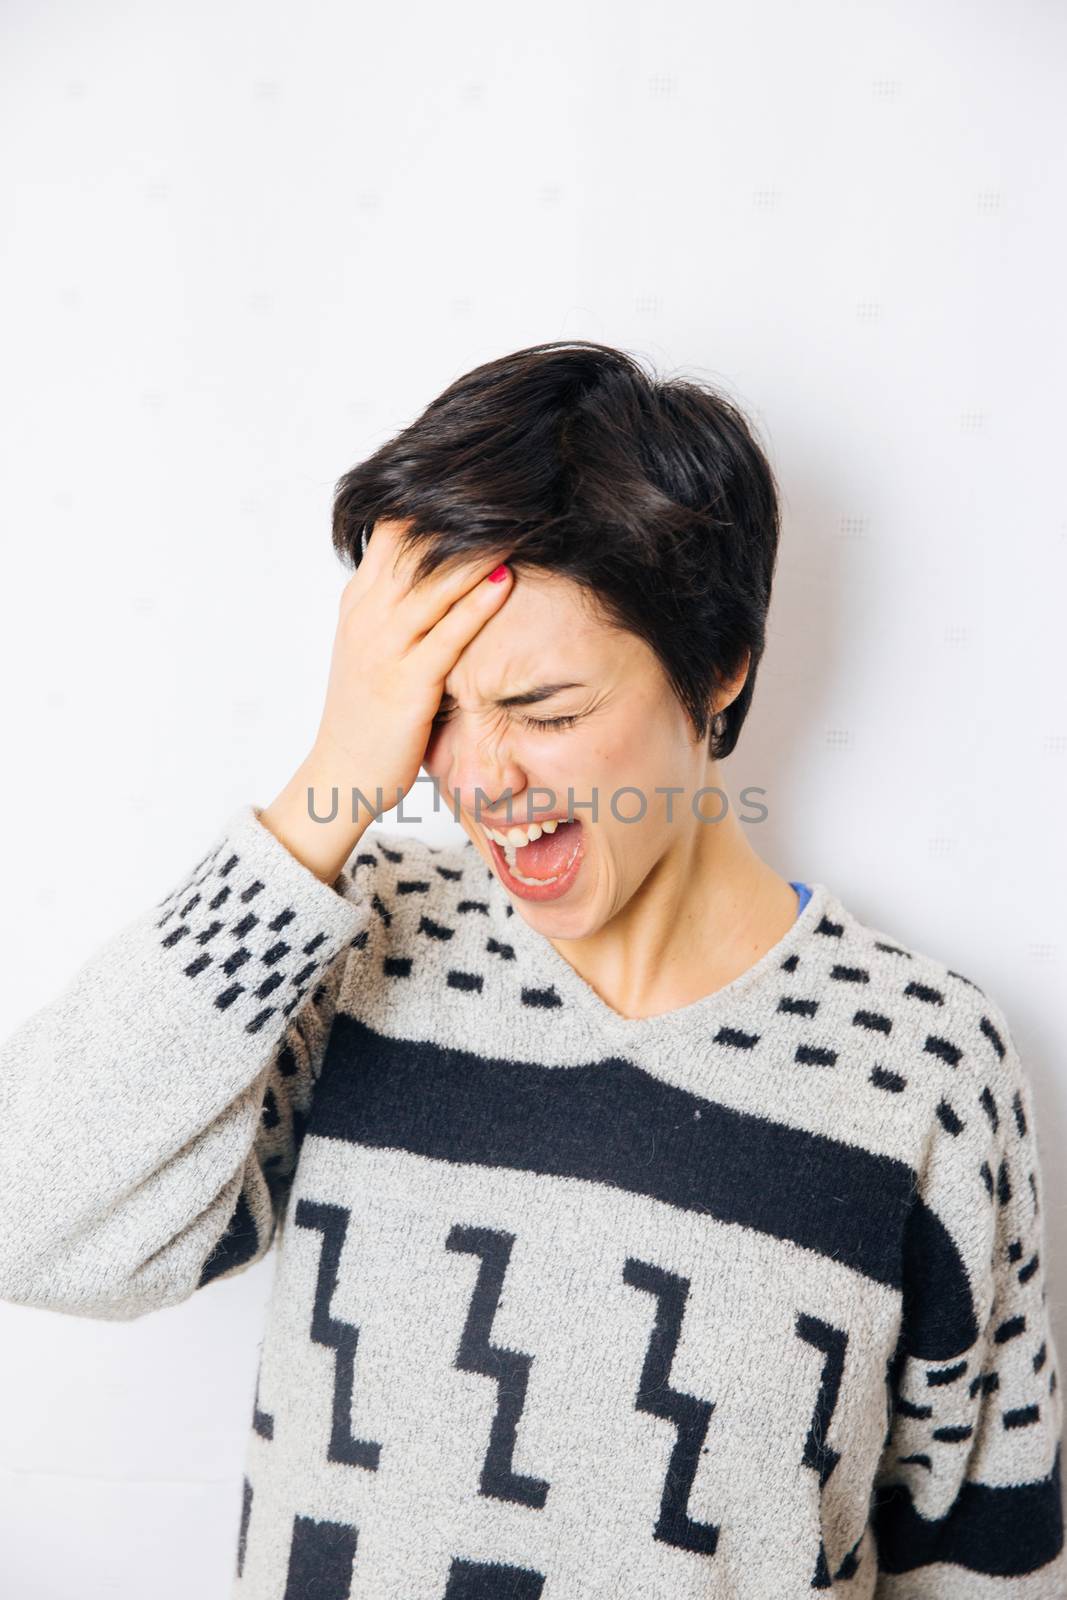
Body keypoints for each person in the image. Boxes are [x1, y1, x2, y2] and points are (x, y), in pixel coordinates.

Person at [1, 339, 1062, 1598]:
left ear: (717, 669)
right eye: (432, 709)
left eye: (546, 712)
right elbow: (31, 1216)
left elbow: (982, 1559)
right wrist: (321, 801)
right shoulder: (352, 945)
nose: (480, 780)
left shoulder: (922, 1064)